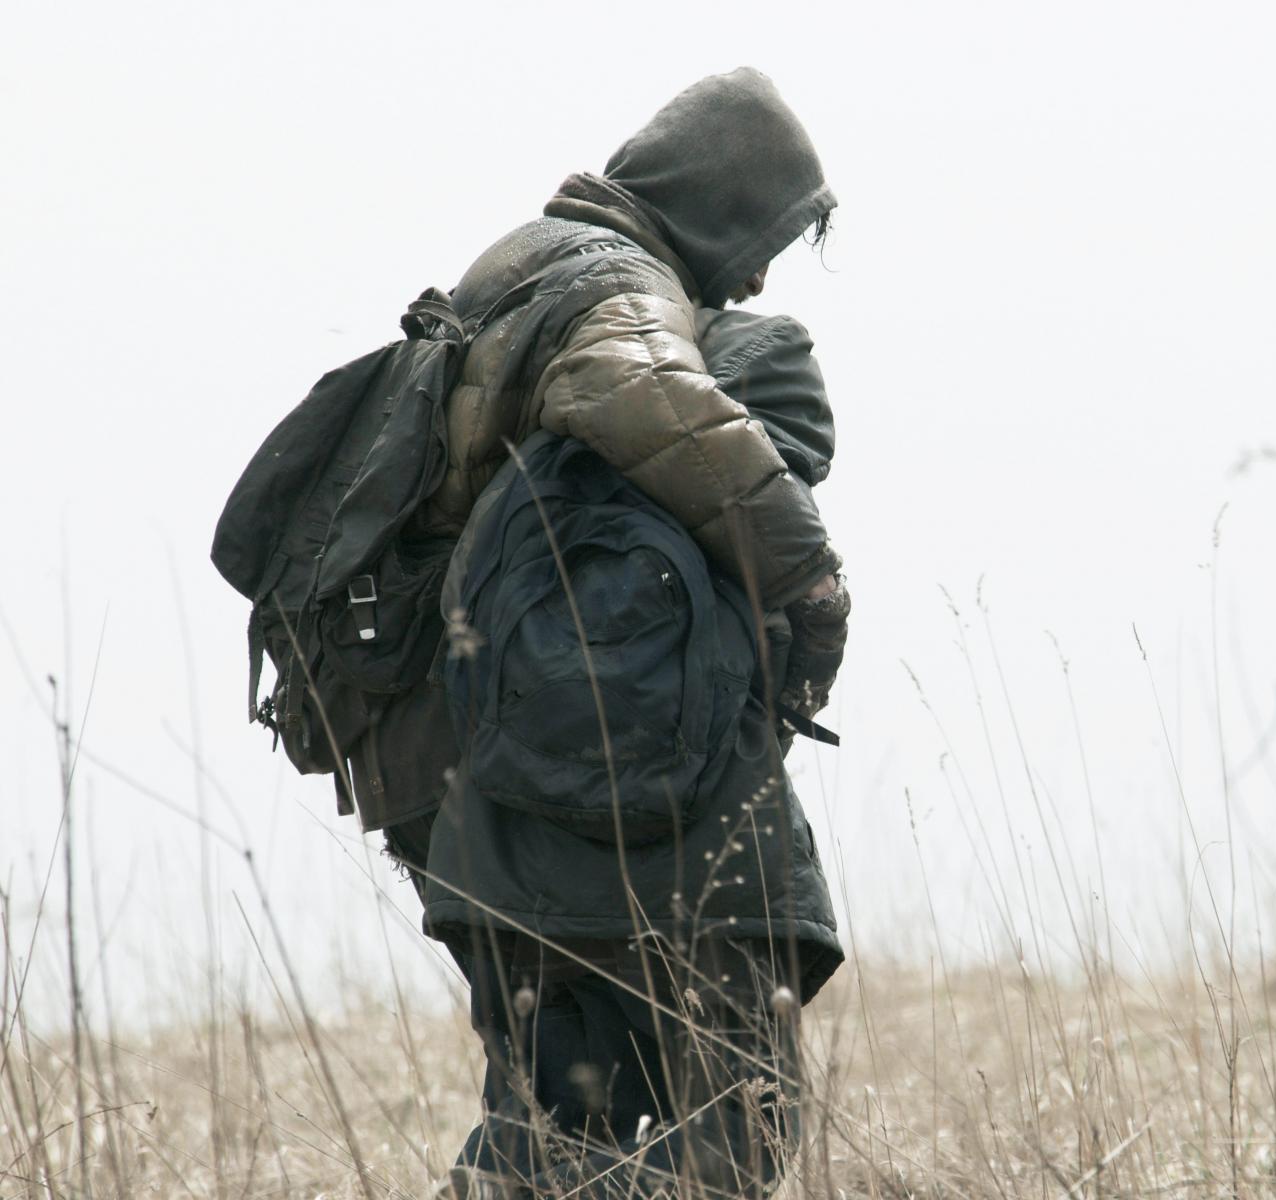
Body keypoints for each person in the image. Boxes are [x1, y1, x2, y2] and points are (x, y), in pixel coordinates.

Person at [374, 68, 851, 1198]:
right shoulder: (623, 294)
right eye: (759, 234)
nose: (757, 271)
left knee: (535, 1134)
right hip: (624, 805)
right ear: (713, 209)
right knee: (736, 1130)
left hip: (476, 786)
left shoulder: (518, 265)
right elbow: (675, 416)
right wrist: (813, 588)